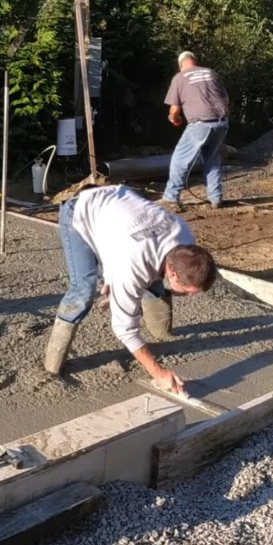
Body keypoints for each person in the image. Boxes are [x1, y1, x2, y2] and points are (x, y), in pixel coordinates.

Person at [44, 184, 218, 395]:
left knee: (151, 280)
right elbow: (124, 329)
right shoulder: (132, 265)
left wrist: (118, 283)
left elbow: (126, 254)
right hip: (81, 209)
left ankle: (161, 333)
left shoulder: (185, 240)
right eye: (189, 290)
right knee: (83, 291)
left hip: (122, 212)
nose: (192, 296)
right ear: (172, 273)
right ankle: (52, 365)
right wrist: (158, 372)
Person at [162, 51, 231, 211]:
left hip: (200, 124)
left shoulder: (180, 77)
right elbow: (225, 100)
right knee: (212, 158)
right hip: (221, 122)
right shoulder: (211, 73)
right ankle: (215, 198)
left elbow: (174, 110)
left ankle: (171, 198)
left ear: (181, 65)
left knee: (180, 160)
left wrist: (174, 119)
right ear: (195, 61)